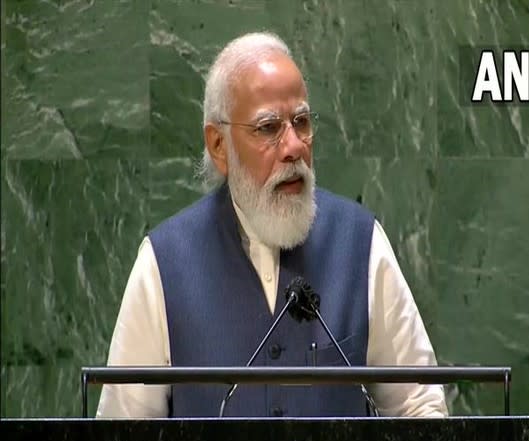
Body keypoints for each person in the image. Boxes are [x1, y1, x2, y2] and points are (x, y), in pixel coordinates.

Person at [96, 31, 447, 418]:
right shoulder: (164, 263)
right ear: (218, 146)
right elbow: (122, 431)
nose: (294, 146)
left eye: (302, 122)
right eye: (268, 128)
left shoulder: (360, 243)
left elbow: (419, 406)